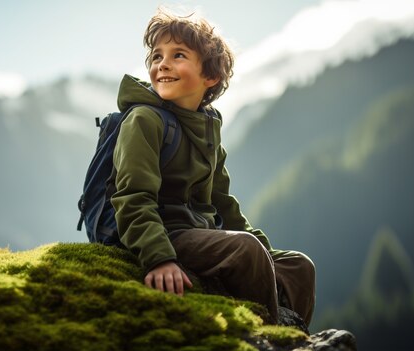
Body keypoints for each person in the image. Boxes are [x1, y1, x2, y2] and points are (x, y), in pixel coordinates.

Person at [110, 8, 316, 327]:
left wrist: (267, 254)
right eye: (156, 56)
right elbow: (132, 198)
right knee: (246, 250)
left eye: (177, 55)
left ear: (210, 77)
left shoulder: (207, 127)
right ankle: (272, 336)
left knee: (298, 265)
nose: (161, 63)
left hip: (201, 230)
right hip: (166, 231)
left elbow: (222, 203)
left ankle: (299, 335)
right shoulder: (143, 120)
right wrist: (158, 259)